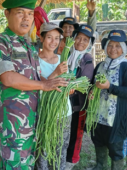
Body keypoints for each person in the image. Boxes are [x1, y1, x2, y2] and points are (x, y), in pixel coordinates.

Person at [0, 0, 68, 169]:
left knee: (29, 164)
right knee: (15, 165)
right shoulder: (0, 42)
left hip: (33, 121)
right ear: (7, 14)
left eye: (30, 14)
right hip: (13, 125)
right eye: (20, 12)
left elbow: (37, 79)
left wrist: (56, 82)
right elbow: (8, 78)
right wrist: (44, 86)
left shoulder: (29, 46)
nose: (26, 18)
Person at [89, 30, 127, 170]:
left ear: (124, 48)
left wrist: (110, 86)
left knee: (116, 149)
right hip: (98, 116)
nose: (113, 49)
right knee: (99, 143)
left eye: (118, 46)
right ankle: (100, 166)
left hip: (115, 119)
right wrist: (92, 91)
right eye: (110, 45)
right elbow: (94, 85)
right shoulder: (100, 66)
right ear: (105, 47)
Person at [35, 22, 74, 170]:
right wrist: (56, 73)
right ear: (42, 38)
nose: (54, 42)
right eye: (50, 37)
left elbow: (66, 81)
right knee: (43, 149)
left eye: (57, 38)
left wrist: (70, 87)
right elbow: (38, 86)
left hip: (64, 111)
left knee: (61, 148)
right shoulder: (35, 60)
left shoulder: (62, 58)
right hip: (45, 111)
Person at [65, 24, 95, 169]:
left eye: (85, 40)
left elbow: (85, 80)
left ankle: (72, 160)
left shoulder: (87, 59)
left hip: (78, 104)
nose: (81, 42)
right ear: (73, 38)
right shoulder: (67, 54)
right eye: (78, 38)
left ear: (89, 43)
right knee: (65, 130)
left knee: (76, 132)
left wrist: (69, 85)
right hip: (64, 102)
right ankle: (63, 156)